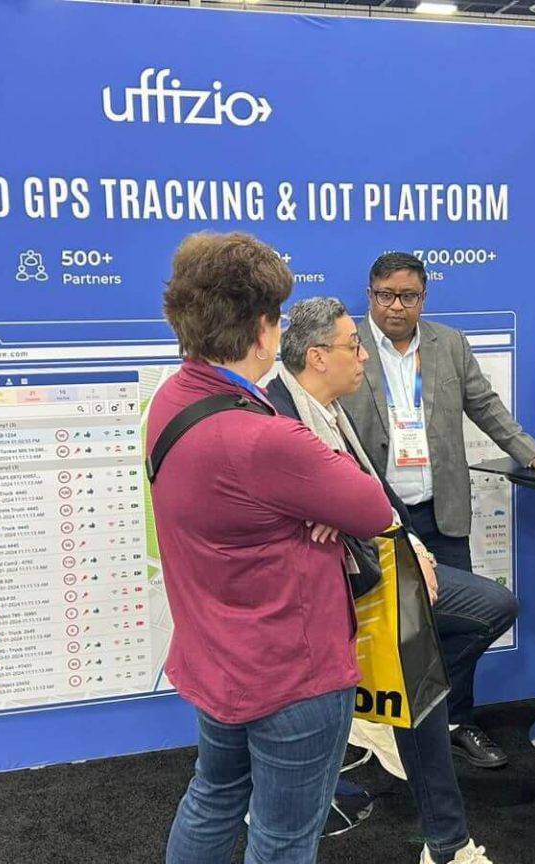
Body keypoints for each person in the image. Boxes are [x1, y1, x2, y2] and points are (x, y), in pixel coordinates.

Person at [149, 233, 394, 864]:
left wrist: (312, 505)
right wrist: (318, 506)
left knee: (213, 795)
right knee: (283, 838)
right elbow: (372, 508)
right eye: (278, 317)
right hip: (292, 673)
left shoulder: (172, 399)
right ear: (263, 330)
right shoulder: (265, 440)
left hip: (217, 656)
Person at [268, 297, 501, 864]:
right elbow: (291, 507)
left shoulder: (331, 409)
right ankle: (447, 844)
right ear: (317, 356)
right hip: (330, 591)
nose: (364, 357)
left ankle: (376, 712)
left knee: (491, 609)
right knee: (417, 682)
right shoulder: (274, 413)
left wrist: (412, 545)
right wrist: (328, 508)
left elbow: (373, 491)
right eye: (353, 346)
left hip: (383, 563)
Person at [340, 252, 535, 767]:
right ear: (370, 295)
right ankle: (383, 728)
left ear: (424, 298)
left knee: (464, 621)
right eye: (386, 295)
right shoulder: (346, 348)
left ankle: (455, 722)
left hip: (441, 510)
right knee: (382, 628)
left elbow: (485, 406)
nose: (397, 306)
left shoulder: (448, 344)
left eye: (408, 296)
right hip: (378, 520)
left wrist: (530, 453)